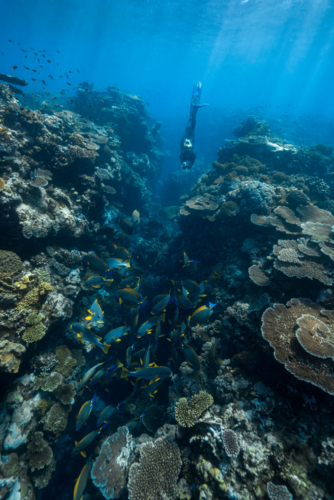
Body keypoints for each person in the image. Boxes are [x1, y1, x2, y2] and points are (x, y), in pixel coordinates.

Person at [180, 81, 208, 170]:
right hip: (188, 132)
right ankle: (194, 110)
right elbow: (190, 164)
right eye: (188, 151)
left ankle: (194, 109)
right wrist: (186, 166)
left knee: (192, 122)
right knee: (192, 120)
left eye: (187, 151)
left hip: (188, 132)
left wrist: (183, 164)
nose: (187, 152)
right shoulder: (192, 156)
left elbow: (183, 160)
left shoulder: (183, 154)